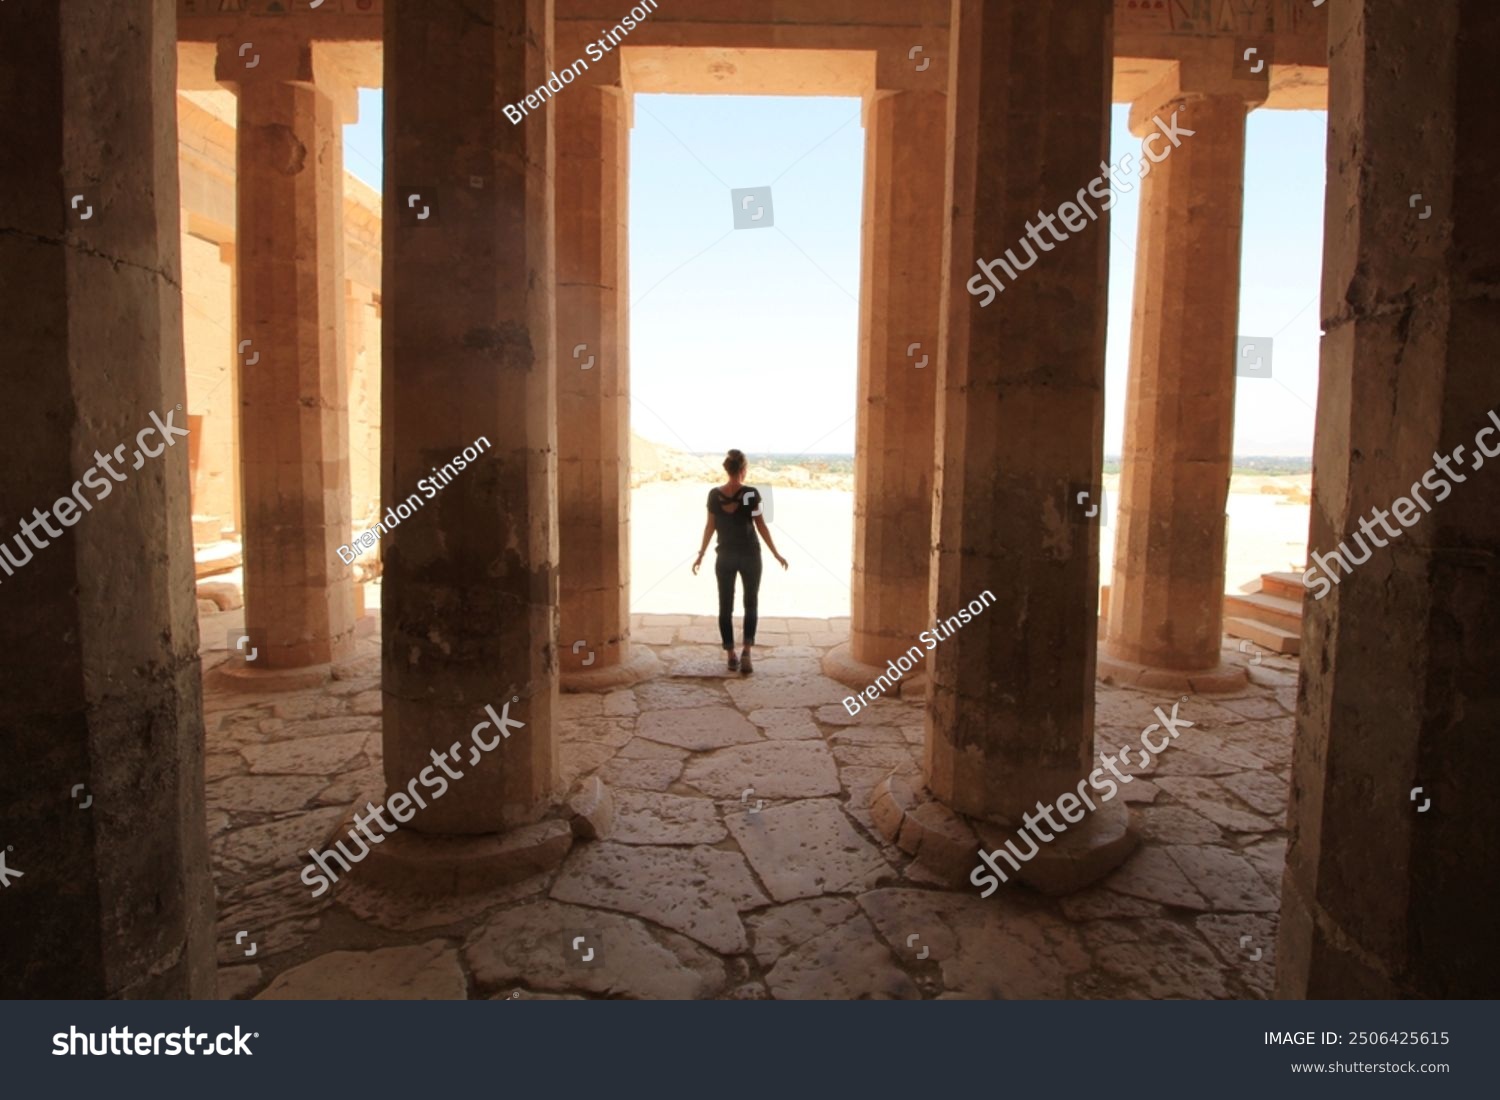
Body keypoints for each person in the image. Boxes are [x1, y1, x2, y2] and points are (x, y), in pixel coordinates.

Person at [692, 449, 788, 673]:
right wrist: (775, 552)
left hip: (724, 555)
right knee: (750, 603)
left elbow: (710, 526)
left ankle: (730, 655)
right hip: (750, 555)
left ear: (727, 469)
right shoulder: (750, 493)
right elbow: (761, 525)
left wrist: (701, 553)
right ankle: (747, 653)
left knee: (725, 605)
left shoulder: (714, 495)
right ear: (743, 470)